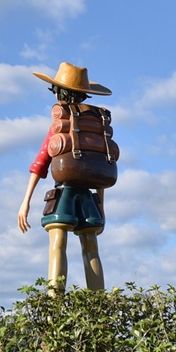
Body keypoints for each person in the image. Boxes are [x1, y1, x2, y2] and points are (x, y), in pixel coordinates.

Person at [17, 63, 115, 293]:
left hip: (65, 192)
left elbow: (40, 163)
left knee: (57, 245)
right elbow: (100, 167)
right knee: (91, 248)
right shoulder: (96, 124)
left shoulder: (62, 124)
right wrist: (101, 206)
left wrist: (25, 201)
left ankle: (54, 306)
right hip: (89, 197)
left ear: (60, 92)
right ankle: (98, 306)